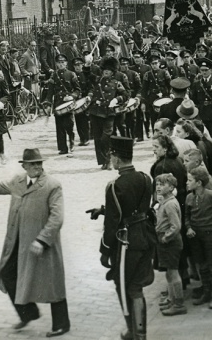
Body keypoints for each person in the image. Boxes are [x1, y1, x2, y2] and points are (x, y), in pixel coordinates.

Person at [0, 148, 70, 337]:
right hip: (18, 241)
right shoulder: (18, 181)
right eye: (32, 164)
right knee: (7, 273)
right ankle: (29, 313)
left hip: (41, 244)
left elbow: (57, 218)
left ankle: (61, 324)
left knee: (51, 283)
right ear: (24, 166)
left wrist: (42, 240)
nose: (36, 167)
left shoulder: (52, 185)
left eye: (39, 163)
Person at [88, 136, 155, 340]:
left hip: (127, 243)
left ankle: (133, 332)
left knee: (125, 286)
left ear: (117, 158)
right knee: (137, 286)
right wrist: (103, 209)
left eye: (112, 156)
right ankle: (140, 332)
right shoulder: (145, 178)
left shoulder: (114, 185)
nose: (111, 160)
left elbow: (112, 223)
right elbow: (135, 208)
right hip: (145, 236)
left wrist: (105, 251)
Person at [155, 173, 187, 316]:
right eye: (157, 184)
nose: (158, 187)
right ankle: (172, 298)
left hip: (170, 243)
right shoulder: (165, 202)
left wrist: (165, 238)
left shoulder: (170, 204)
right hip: (166, 242)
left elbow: (176, 226)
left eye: (162, 184)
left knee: (173, 273)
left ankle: (178, 304)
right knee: (169, 272)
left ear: (172, 187)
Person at [87, 57, 128, 170]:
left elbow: (126, 95)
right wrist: (87, 63)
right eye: (105, 69)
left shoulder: (116, 83)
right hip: (95, 112)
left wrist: (117, 100)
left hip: (109, 113)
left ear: (113, 72)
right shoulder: (97, 80)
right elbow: (86, 74)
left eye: (109, 70)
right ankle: (104, 161)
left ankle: (109, 157)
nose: (106, 71)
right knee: (97, 138)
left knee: (106, 136)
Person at [185, 166, 212, 305]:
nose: (186, 183)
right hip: (195, 236)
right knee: (201, 264)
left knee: (210, 263)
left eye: (190, 180)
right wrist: (189, 227)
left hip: (208, 235)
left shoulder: (209, 196)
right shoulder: (189, 197)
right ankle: (206, 291)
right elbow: (187, 216)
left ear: (199, 183)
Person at [51, 54, 80, 156]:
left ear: (66, 63)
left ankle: (72, 144)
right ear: (56, 64)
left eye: (63, 62)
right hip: (58, 103)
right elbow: (50, 91)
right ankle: (63, 148)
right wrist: (47, 103)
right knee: (59, 127)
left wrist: (72, 96)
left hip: (68, 103)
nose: (61, 64)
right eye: (59, 62)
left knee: (69, 125)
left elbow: (77, 90)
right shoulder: (54, 75)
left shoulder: (71, 74)